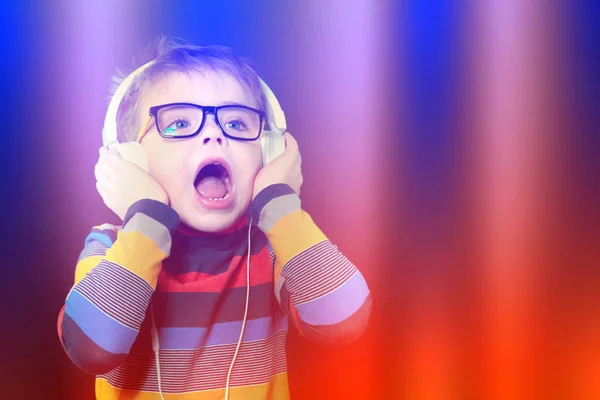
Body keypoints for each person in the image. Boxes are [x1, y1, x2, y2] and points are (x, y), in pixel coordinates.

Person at [57, 36, 372, 399]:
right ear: (131, 160)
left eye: (236, 124)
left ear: (268, 152)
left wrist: (279, 203)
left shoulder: (273, 246)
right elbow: (92, 348)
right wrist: (147, 215)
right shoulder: (111, 246)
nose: (213, 136)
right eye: (177, 124)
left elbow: (343, 323)